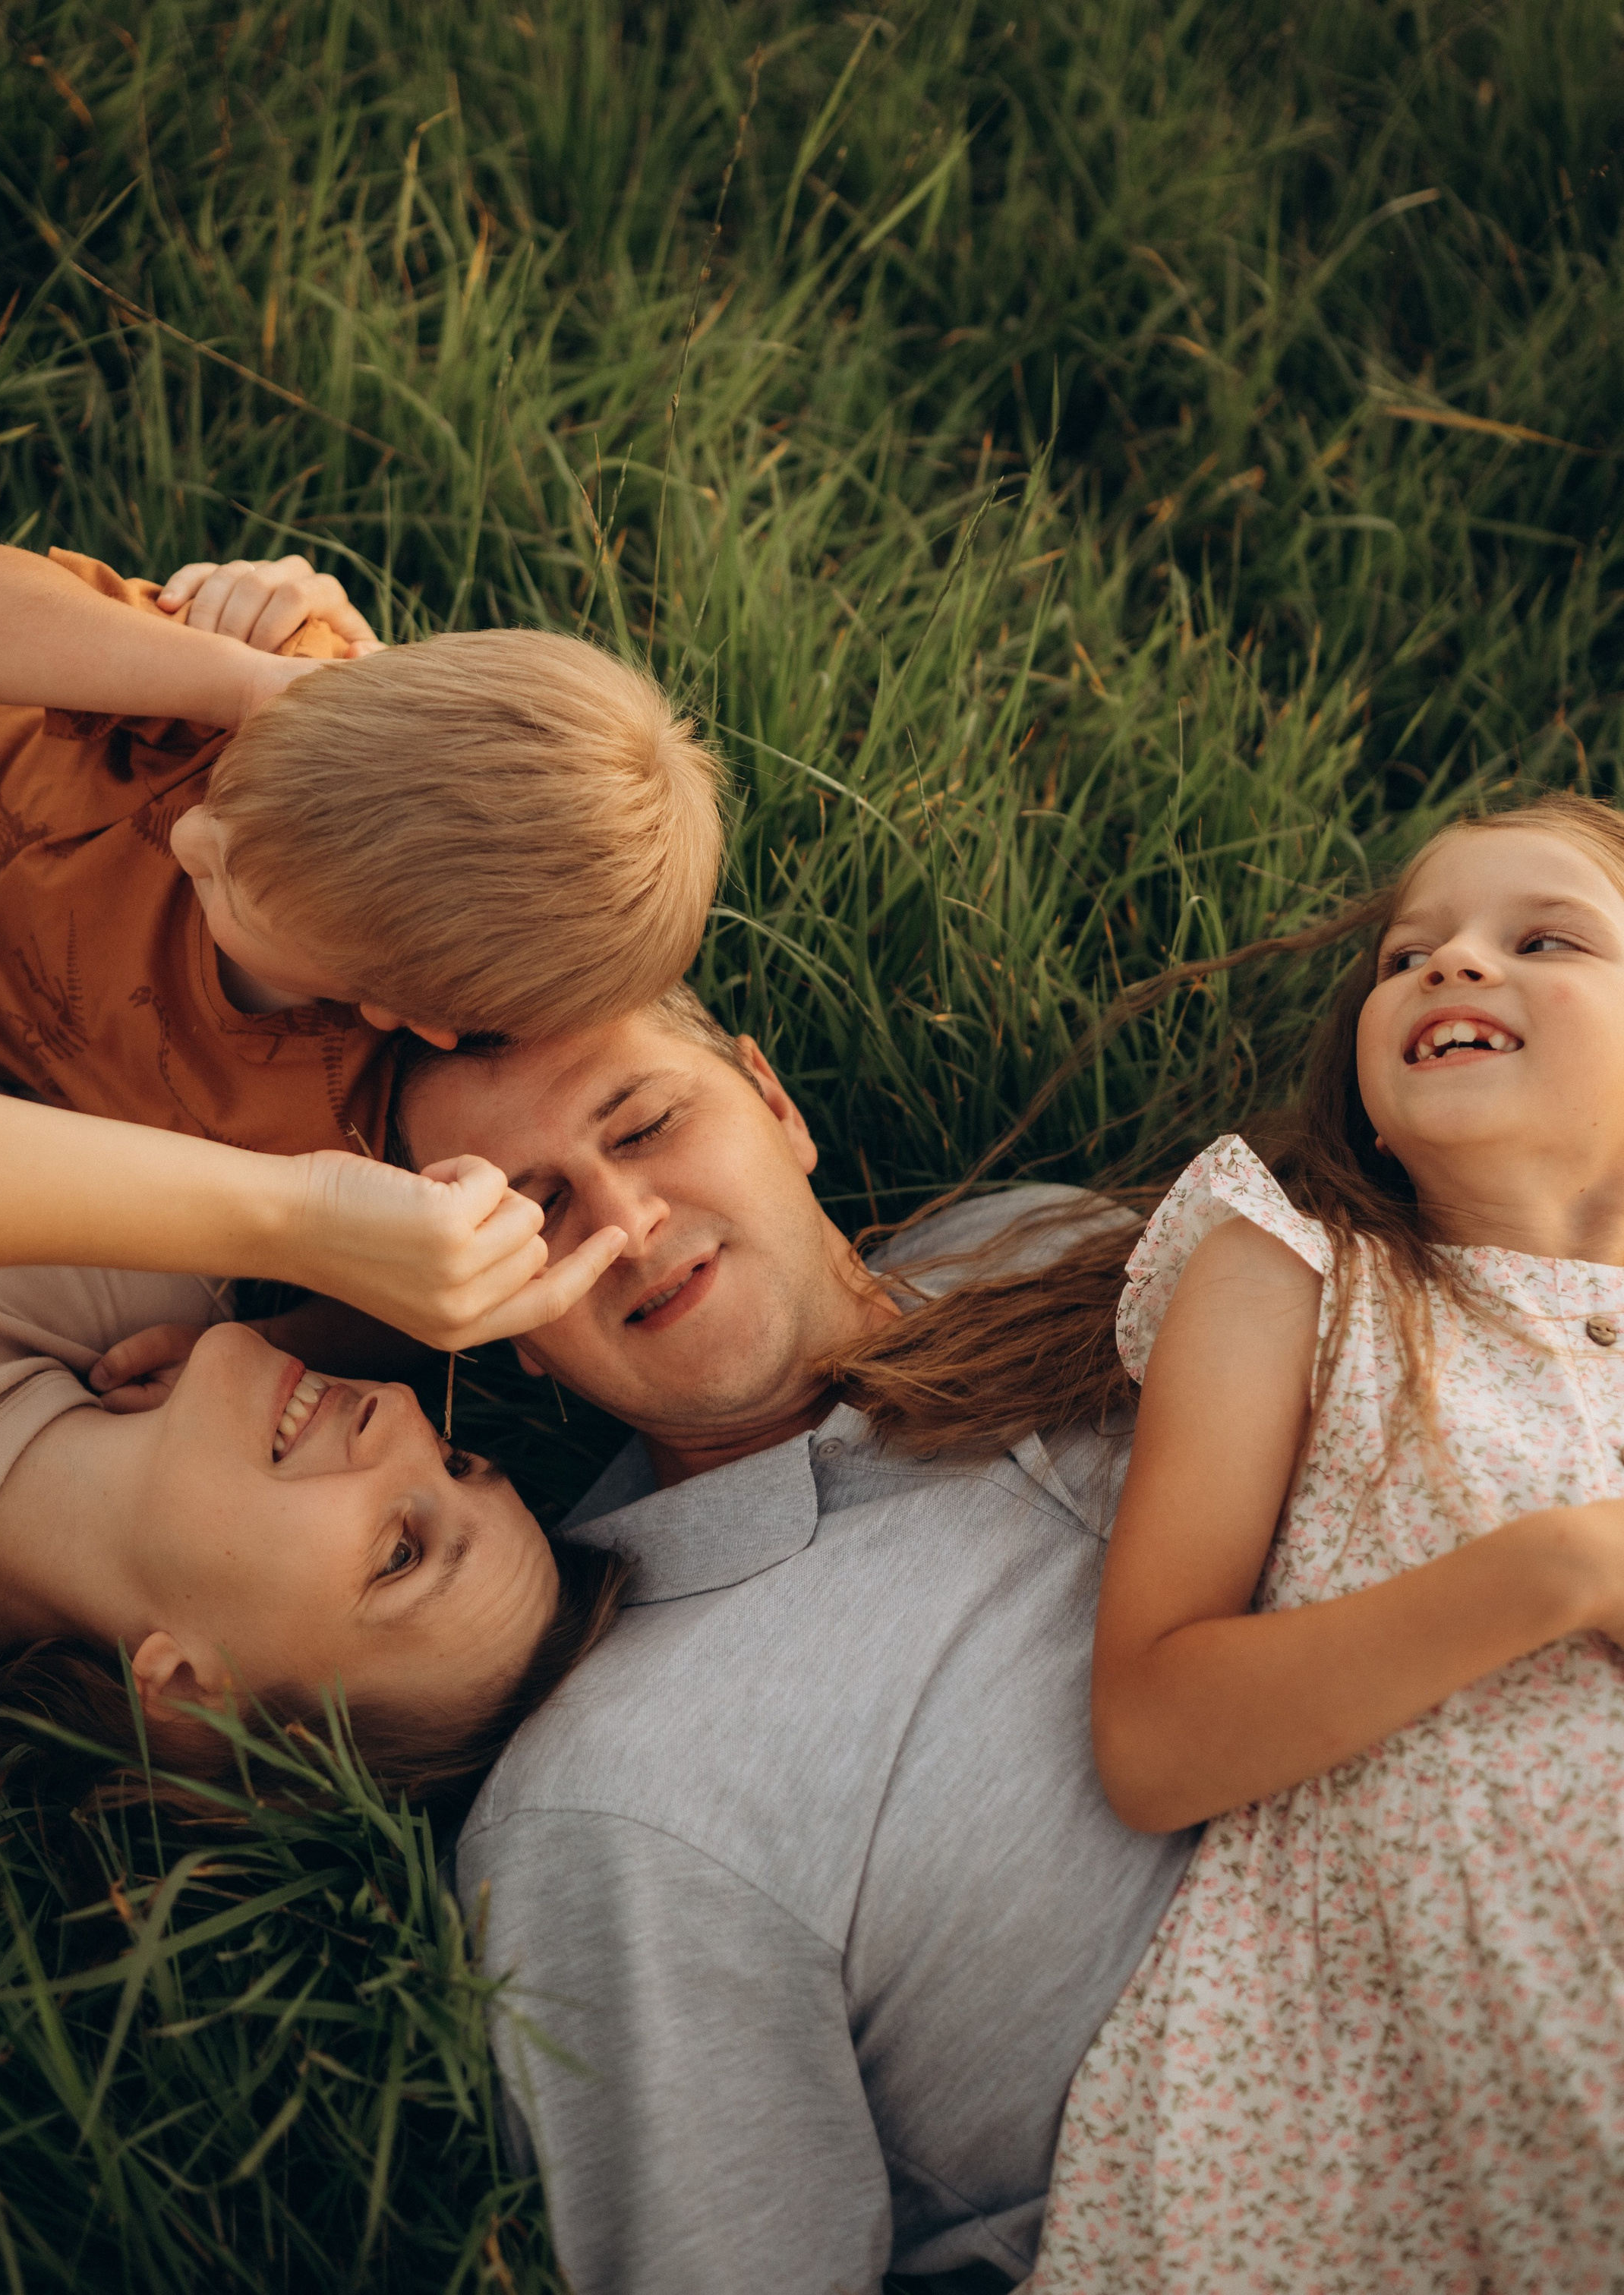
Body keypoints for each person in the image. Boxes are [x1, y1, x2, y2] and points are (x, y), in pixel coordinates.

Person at [102, 984, 1200, 2291]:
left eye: (646, 1124)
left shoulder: (1044, 1236)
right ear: (493, 1318)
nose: (626, 1226)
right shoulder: (615, 1798)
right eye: (533, 1213)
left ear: (775, 1103)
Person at [1024, 791, 1624, 2290]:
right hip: (1388, 2124)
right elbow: (1153, 1734)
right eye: (1404, 953)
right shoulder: (1298, 1272)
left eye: (1537, 935)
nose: (1445, 965)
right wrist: (1558, 1566)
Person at [0, 995, 628, 1883]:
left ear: (187, 1694)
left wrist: (297, 1217)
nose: (401, 1416)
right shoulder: (143, 1288)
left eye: (398, 1553)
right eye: (460, 1458)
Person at [0, 544, 723, 1165]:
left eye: (232, 884)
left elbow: (380, 1294)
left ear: (398, 1008)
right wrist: (225, 680)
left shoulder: (339, 1106)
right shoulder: (259, 691)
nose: (188, 832)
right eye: (231, 796)